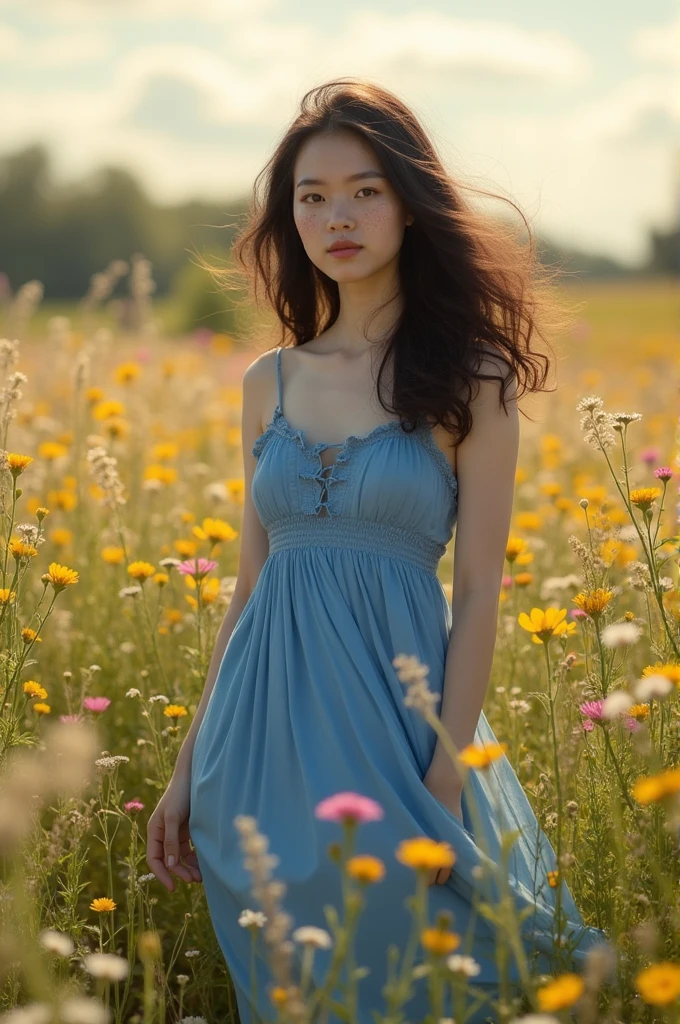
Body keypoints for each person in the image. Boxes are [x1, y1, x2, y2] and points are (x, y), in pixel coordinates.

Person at [147, 78, 608, 1023]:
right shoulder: (265, 381)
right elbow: (251, 583)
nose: (336, 216)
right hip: (257, 744)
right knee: (293, 986)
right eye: (311, 197)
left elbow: (480, 589)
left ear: (409, 201)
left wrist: (442, 774)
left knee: (438, 975)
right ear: (290, 222)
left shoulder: (471, 377)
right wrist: (189, 760)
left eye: (363, 190)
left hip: (399, 740)